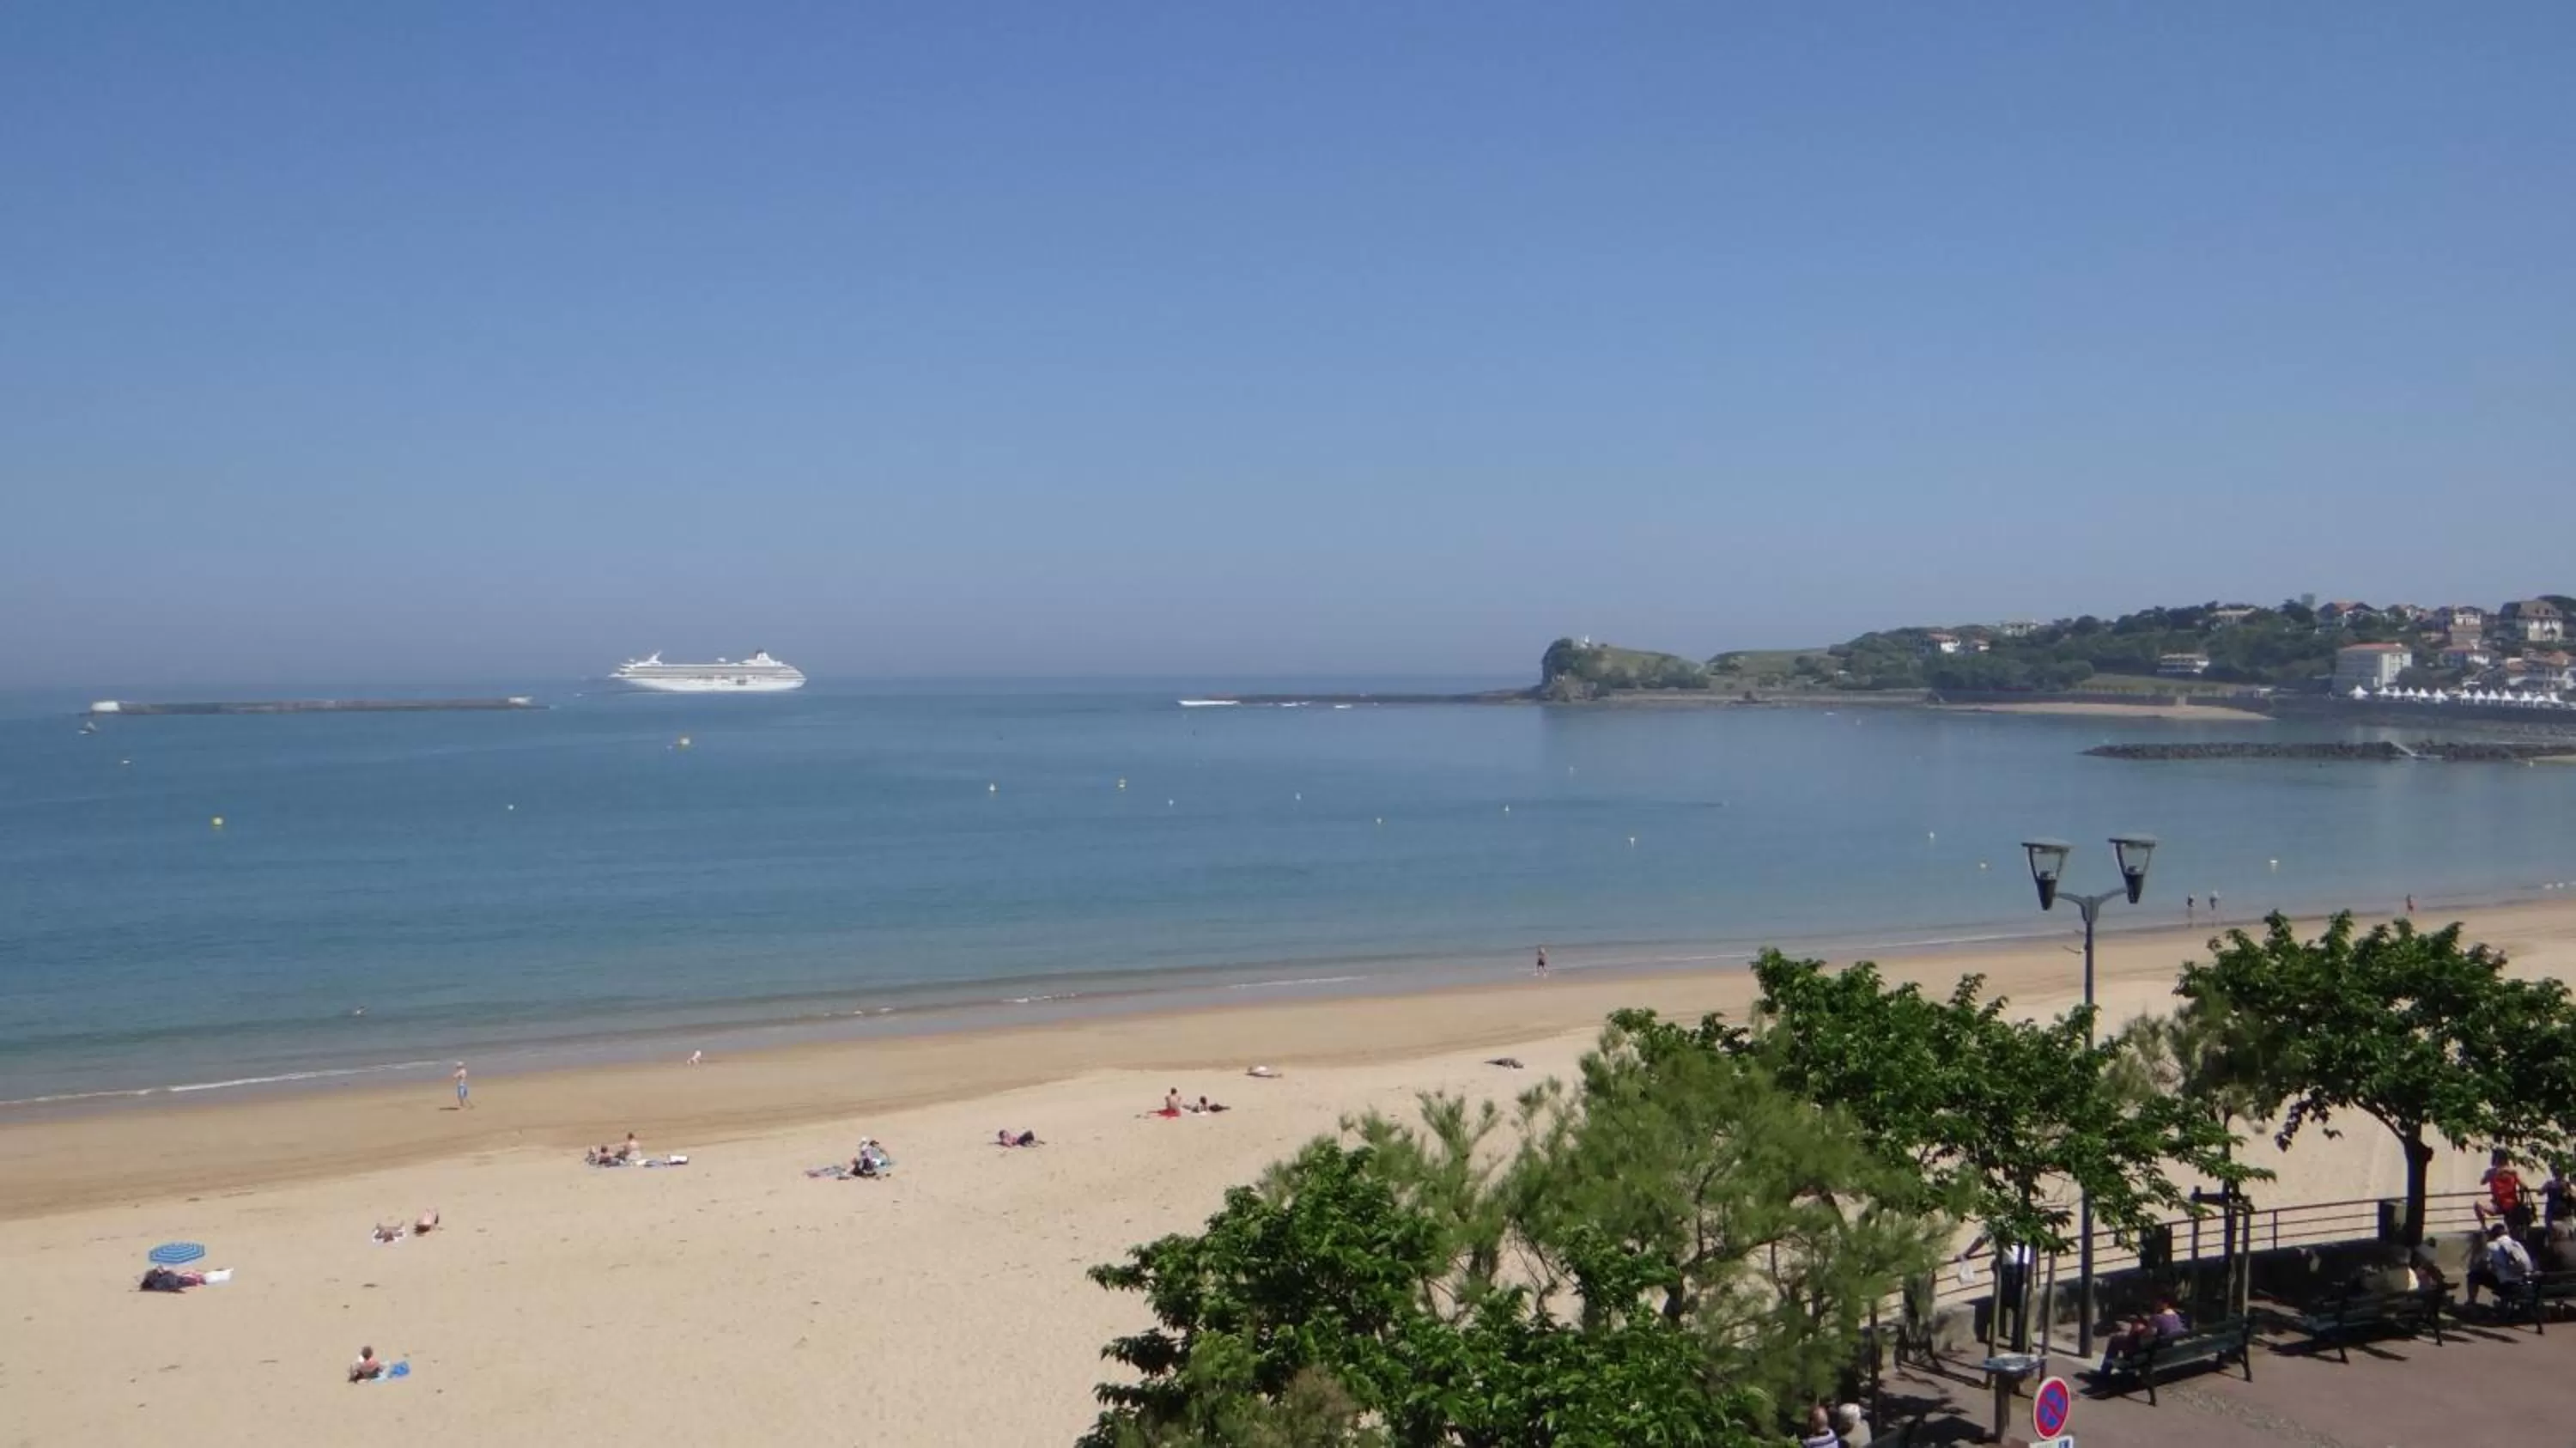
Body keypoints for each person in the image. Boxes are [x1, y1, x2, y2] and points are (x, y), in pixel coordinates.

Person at [2467, 1220, 2535, 1311]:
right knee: (2503, 1274)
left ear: (2492, 1235)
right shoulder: (2517, 1244)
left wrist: (2478, 1248)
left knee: (2473, 1275)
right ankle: (2504, 1302)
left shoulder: (2491, 1246)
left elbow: (2480, 1265)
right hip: (2528, 1283)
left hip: (2510, 1286)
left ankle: (2471, 1302)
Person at [2105, 1297, 2186, 1357]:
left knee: (2115, 1339)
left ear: (2164, 1304)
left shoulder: (2157, 1317)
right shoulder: (2175, 1315)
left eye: (2158, 1302)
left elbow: (2149, 1334)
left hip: (2154, 1350)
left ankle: (2104, 1372)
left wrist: (2140, 1330)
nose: (2155, 1304)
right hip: (2168, 1347)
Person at [2478, 1148, 2530, 1232]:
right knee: (2478, 1204)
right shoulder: (2493, 1172)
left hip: (2510, 1205)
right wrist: (2490, 1175)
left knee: (2511, 1230)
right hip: (2500, 1204)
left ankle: (2485, 1227)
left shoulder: (2511, 1172)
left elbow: (2524, 1186)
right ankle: (2484, 1226)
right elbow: (2482, 1182)